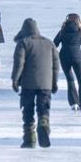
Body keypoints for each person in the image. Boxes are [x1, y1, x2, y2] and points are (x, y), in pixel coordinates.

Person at [11, 18, 60, 148]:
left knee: (28, 110)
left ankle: (29, 138)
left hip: (28, 83)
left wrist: (15, 79)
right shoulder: (49, 43)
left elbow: (19, 63)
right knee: (43, 107)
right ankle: (44, 122)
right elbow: (56, 65)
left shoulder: (24, 43)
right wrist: (54, 82)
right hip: (46, 84)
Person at [53, 13, 81, 112]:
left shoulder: (62, 31)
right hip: (77, 57)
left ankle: (74, 103)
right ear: (78, 20)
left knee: (70, 80)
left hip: (64, 57)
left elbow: (54, 44)